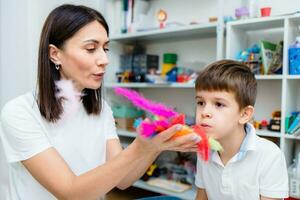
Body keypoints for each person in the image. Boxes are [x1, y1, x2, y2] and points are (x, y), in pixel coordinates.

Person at [0, 4, 201, 200]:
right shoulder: (20, 112)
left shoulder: (102, 109)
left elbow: (122, 180)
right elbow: (70, 193)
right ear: (55, 54)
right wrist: (137, 148)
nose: (104, 59)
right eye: (90, 48)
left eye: (105, 48)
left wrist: (154, 147)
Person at [194, 60, 288, 200]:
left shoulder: (270, 156)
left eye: (219, 104)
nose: (205, 112)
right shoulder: (203, 151)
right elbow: (201, 197)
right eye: (201, 103)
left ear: (244, 114)